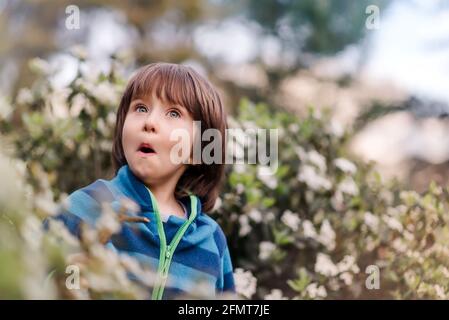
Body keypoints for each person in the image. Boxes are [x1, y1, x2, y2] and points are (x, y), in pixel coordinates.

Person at [53, 62, 235, 299]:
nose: (149, 122)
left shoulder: (211, 240)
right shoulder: (87, 205)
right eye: (140, 108)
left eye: (173, 113)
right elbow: (29, 278)